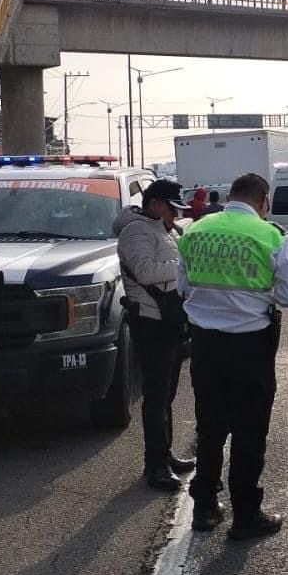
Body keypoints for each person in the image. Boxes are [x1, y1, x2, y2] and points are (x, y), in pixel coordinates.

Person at [178, 172, 288, 538]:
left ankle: (204, 508)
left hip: (204, 345)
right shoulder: (271, 236)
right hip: (250, 347)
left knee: (210, 427)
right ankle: (246, 516)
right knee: (249, 432)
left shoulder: (196, 231)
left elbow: (182, 287)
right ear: (263, 201)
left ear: (231, 195)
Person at [114, 179, 195, 492]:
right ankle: (156, 465)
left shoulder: (164, 229)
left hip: (169, 319)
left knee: (168, 394)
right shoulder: (136, 231)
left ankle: (165, 453)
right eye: (173, 208)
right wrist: (184, 264)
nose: (176, 215)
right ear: (156, 204)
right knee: (156, 396)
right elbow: (147, 271)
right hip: (150, 321)